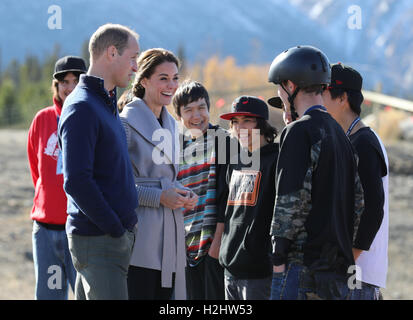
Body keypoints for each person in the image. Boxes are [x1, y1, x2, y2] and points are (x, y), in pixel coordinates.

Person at [267, 45, 364, 300]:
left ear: (290, 85)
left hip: (300, 269)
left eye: (279, 87)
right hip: (336, 273)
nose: (279, 92)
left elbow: (290, 201)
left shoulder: (298, 131)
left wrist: (278, 258)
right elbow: (358, 204)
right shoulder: (343, 137)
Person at [57, 23, 140, 300]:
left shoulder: (104, 101)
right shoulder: (82, 107)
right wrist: (115, 228)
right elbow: (77, 181)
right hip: (100, 240)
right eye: (132, 58)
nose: (136, 66)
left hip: (107, 240)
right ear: (112, 53)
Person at [120, 48, 198, 300]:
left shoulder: (172, 125)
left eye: (175, 78)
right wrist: (159, 197)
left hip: (171, 237)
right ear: (143, 80)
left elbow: (169, 177)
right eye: (163, 78)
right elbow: (117, 186)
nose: (172, 85)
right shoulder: (124, 123)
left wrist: (183, 193)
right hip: (139, 237)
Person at [322, 63, 389, 300]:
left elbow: (373, 208)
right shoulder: (349, 138)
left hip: (356, 274)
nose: (318, 99)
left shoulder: (363, 142)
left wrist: (347, 259)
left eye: (323, 92)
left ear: (342, 98)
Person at [27, 55, 86, 299]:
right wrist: (48, 199)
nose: (70, 87)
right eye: (65, 81)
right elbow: (36, 168)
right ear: (57, 85)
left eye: (76, 81)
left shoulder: (90, 118)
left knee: (86, 294)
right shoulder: (42, 119)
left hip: (80, 230)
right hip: (45, 229)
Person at [217, 96, 279, 300]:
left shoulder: (276, 160)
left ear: (262, 124)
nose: (239, 127)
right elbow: (230, 213)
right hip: (230, 268)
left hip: (259, 272)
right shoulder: (234, 162)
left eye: (247, 120)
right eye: (234, 122)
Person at [173, 80, 227, 300]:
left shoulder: (224, 141)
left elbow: (227, 196)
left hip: (213, 245)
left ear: (209, 108)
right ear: (179, 116)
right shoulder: (177, 149)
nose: (196, 116)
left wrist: (217, 242)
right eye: (188, 110)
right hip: (185, 248)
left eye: (201, 108)